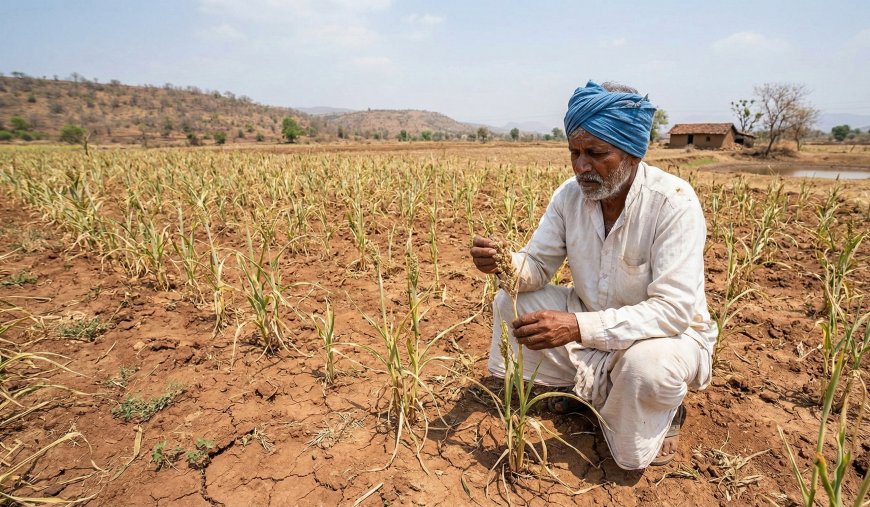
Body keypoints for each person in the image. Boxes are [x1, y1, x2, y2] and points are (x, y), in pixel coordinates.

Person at [469, 80, 715, 470]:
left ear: (633, 152)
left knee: (646, 369)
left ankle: (665, 410)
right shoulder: (569, 196)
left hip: (662, 338)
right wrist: (503, 264)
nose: (582, 166)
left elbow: (672, 312)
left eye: (597, 153)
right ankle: (585, 390)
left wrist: (576, 327)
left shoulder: (673, 203)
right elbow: (536, 267)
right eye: (575, 152)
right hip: (591, 319)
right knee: (511, 302)